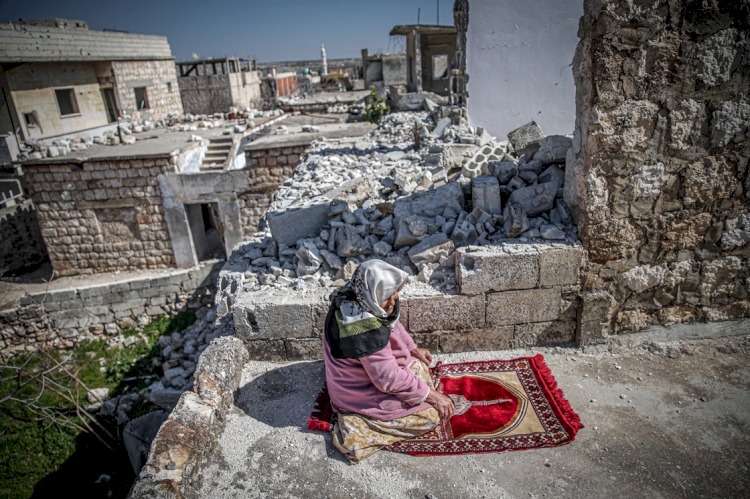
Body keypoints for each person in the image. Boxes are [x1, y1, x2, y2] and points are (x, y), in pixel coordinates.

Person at [322, 260, 455, 463]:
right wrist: (433, 397)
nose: (392, 302)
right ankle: (357, 426)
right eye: (386, 298)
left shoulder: (358, 295)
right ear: (374, 294)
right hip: (357, 391)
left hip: (365, 374)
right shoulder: (364, 331)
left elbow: (392, 323)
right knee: (430, 415)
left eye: (395, 294)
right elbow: (387, 380)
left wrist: (411, 348)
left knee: (418, 369)